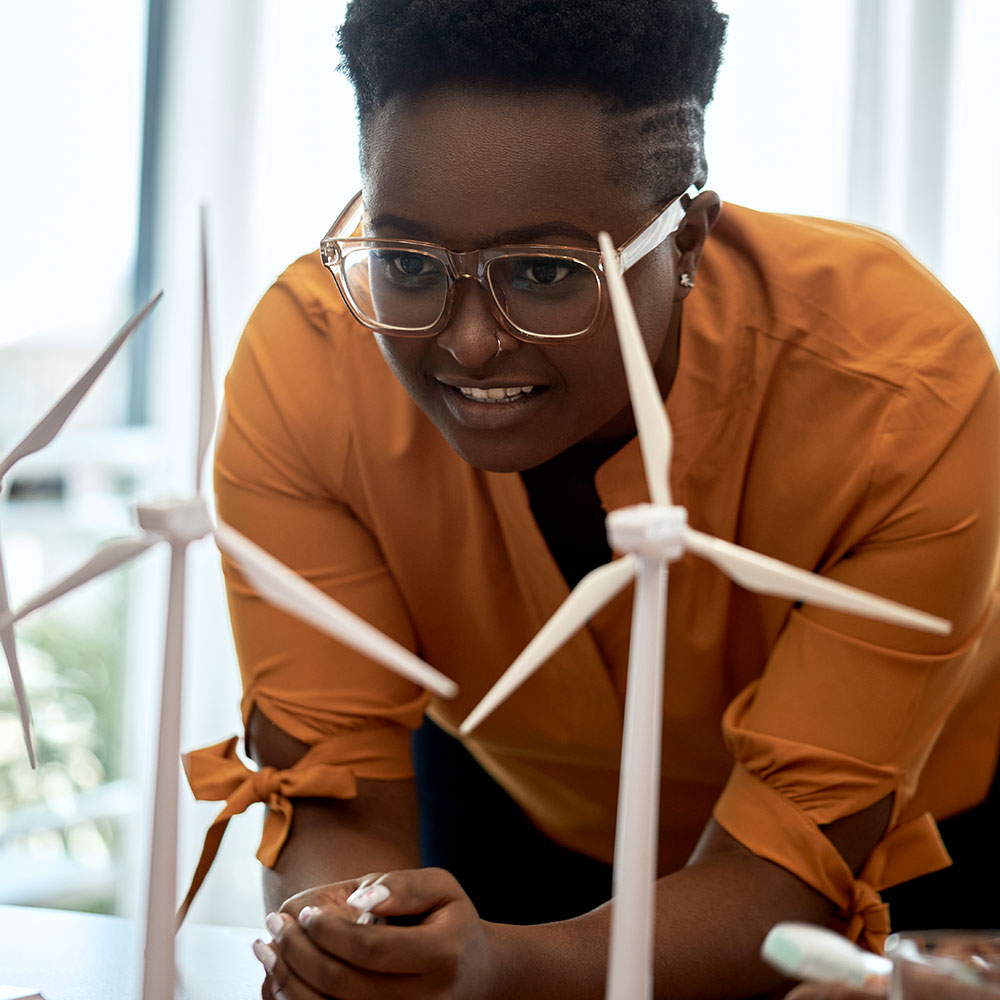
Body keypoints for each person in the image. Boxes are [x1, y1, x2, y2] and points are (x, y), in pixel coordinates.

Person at [182, 1, 1000, 997]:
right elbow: (334, 789)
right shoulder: (305, 363)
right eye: (403, 262)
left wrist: (507, 963)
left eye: (544, 272)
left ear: (688, 239)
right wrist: (352, 944)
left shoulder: (903, 390)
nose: (469, 341)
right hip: (515, 801)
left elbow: (788, 866)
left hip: (895, 842)